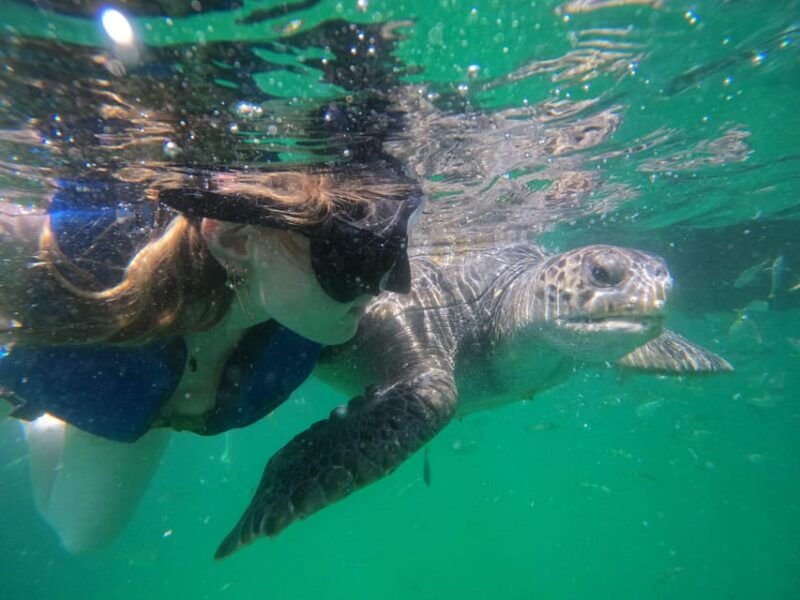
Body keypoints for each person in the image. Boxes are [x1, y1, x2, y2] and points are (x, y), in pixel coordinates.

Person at [0, 166, 422, 553]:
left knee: (82, 535)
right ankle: (39, 401)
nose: (391, 284)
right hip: (43, 370)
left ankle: (50, 416)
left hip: (121, 401)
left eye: (393, 250)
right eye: (354, 253)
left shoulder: (314, 317)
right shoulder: (88, 255)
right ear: (236, 239)